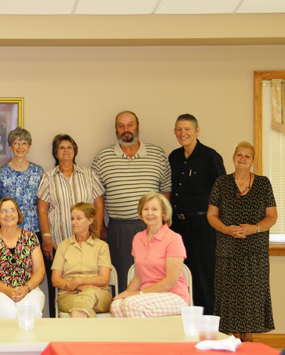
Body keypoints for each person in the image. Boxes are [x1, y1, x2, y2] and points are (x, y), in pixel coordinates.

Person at [92, 111, 171, 292]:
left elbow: (166, 191)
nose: (125, 129)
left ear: (137, 126)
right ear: (116, 130)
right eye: (121, 126)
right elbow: (97, 196)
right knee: (122, 278)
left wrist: (163, 222)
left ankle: (149, 314)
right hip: (119, 229)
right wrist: (101, 226)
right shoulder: (103, 157)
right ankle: (123, 313)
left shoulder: (157, 154)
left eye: (130, 124)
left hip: (152, 227)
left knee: (153, 275)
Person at [207, 141, 277, 342]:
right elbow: (212, 215)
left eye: (247, 156)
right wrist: (226, 229)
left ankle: (248, 345)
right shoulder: (221, 183)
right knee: (229, 303)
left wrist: (254, 228)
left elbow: (272, 217)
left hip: (255, 255)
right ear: (233, 157)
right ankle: (233, 343)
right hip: (227, 252)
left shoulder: (263, 184)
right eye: (239, 155)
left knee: (251, 302)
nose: (243, 159)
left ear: (253, 160)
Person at [37, 134, 104, 317]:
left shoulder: (88, 174)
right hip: (60, 243)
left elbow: (99, 205)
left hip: (88, 241)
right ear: (56, 153)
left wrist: (96, 231)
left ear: (74, 151)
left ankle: (81, 314)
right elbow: (42, 210)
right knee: (59, 286)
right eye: (61, 148)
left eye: (69, 147)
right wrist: (47, 238)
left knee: (90, 279)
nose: (66, 150)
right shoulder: (49, 177)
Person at [168, 114, 225, 315]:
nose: (183, 134)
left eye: (187, 129)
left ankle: (212, 327)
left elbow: (223, 193)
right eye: (179, 130)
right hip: (177, 226)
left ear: (197, 131)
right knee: (181, 276)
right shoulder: (173, 157)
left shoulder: (210, 157)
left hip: (203, 225)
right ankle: (187, 326)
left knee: (205, 277)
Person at [110, 193, 189, 318]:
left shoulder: (174, 238)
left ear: (163, 213)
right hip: (147, 295)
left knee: (131, 304)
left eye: (154, 209)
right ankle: (133, 338)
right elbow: (138, 276)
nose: (149, 213)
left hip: (174, 295)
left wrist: (138, 294)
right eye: (145, 209)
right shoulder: (138, 238)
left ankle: (147, 338)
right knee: (116, 305)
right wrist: (126, 293)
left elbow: (171, 281)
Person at [0, 197, 45, 318]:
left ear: (18, 214)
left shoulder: (31, 238)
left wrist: (26, 288)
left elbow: (40, 271)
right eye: (4, 211)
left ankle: (30, 338)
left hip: (28, 289)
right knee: (7, 311)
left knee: (31, 311)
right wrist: (7, 291)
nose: (8, 214)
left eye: (12, 210)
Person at [51, 202, 112, 318]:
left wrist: (79, 281)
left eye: (78, 218)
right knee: (82, 308)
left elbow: (104, 279)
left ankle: (82, 335)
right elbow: (55, 279)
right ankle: (93, 335)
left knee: (87, 297)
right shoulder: (63, 246)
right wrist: (80, 287)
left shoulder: (101, 246)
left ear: (90, 220)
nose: (74, 222)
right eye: (72, 218)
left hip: (98, 294)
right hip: (68, 295)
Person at [0, 128, 43, 235]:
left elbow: (43, 204)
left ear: (29, 147)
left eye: (24, 143)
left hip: (33, 230)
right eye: (16, 143)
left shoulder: (38, 171)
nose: (20, 147)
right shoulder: (0, 173)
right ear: (11, 147)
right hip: (8, 229)